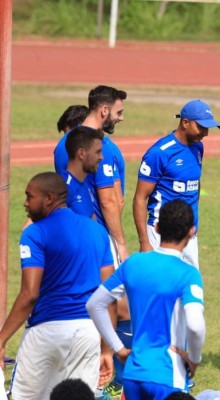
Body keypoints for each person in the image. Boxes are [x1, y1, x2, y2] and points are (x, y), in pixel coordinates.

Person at [0, 172, 115, 400]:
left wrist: (1, 339)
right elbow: (108, 295)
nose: (25, 203)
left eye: (29, 197)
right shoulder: (98, 231)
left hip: (46, 333)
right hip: (88, 332)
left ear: (49, 198)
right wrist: (107, 349)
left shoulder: (34, 233)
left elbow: (30, 294)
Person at [53, 85, 130, 398]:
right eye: (119, 112)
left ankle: (97, 375)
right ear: (103, 110)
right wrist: (121, 243)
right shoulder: (99, 145)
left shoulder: (65, 142)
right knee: (119, 307)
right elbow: (109, 201)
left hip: (74, 237)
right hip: (97, 239)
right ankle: (111, 380)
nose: (121, 118)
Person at [87, 200, 206, 399]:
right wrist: (194, 358)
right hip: (168, 375)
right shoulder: (188, 274)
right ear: (191, 231)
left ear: (157, 227)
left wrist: (118, 349)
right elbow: (195, 325)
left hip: (133, 374)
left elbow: (94, 304)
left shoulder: (134, 263)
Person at [133, 99, 220, 268]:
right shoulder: (159, 153)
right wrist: (144, 241)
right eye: (202, 127)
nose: (206, 133)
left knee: (188, 291)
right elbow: (140, 198)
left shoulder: (198, 147)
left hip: (188, 234)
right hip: (161, 234)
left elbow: (195, 184)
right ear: (185, 123)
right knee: (160, 290)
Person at [64, 126, 104, 219]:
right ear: (81, 153)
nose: (101, 157)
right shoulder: (64, 187)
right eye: (98, 152)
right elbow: (31, 226)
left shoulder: (83, 182)